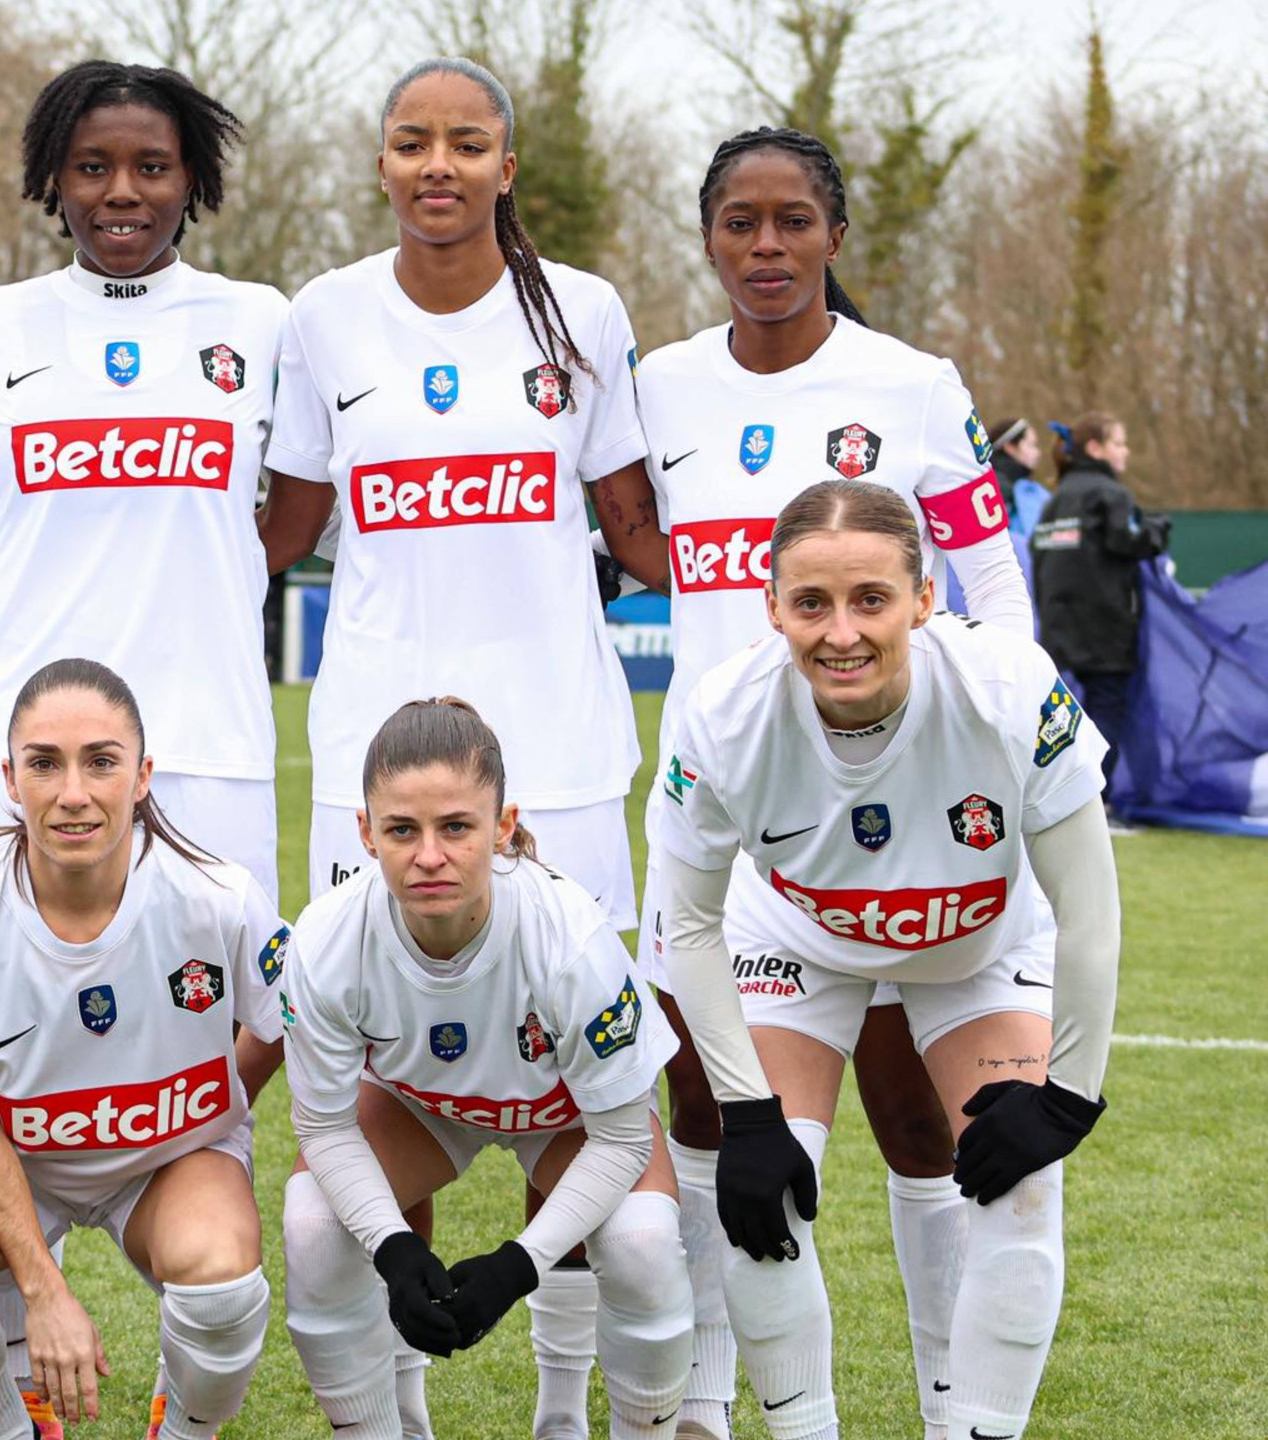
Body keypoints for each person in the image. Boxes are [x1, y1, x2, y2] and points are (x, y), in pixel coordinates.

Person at [251, 56, 663, 1436]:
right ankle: (404, 1411)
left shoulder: (585, 313)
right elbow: (279, 532)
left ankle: (559, 1409)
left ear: (506, 164)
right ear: (380, 163)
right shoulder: (324, 318)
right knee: (384, 1075)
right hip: (380, 761)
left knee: (578, 1076)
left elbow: (642, 531)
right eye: (413, 144)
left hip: (562, 747)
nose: (440, 166)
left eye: (467, 144)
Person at [630, 125, 1036, 1440]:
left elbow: (993, 585)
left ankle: (942, 1402)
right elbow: (633, 546)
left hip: (903, 811)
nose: (765, 247)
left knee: (919, 1113)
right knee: (708, 1101)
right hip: (725, 805)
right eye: (739, 223)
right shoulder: (663, 386)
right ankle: (702, 1394)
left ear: (835, 237)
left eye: (792, 221)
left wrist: (1000, 743)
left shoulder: (913, 385)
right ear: (707, 237)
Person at [654, 480, 1120, 1440]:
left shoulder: (1007, 688)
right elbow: (687, 927)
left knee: (1023, 1191)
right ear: (771, 606)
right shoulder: (722, 716)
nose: (841, 633)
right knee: (765, 1201)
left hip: (976, 946)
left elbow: (1090, 909)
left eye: (871, 599)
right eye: (811, 603)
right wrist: (745, 1113)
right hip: (794, 940)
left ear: (925, 594)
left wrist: (1068, 1098)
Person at [0, 59, 285, 904]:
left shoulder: (261, 322)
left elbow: (318, 507)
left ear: (192, 178)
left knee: (228, 1017)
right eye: (91, 166)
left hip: (208, 741)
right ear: (53, 176)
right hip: (20, 743)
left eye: (151, 167)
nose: (121, 190)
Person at [0, 658, 283, 1440]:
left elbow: (284, 1019)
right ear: (9, 778)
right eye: (44, 764)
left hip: (167, 1163)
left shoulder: (216, 897)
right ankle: (15, 1431)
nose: (72, 792)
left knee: (221, 1284)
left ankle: (182, 1430)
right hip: (13, 1162)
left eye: (101, 761)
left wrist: (218, 1106)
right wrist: (44, 1290)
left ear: (141, 776)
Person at [281, 698, 691, 1440]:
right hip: (423, 1108)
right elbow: (323, 1126)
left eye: (457, 828)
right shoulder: (326, 940)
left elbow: (624, 1140)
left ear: (503, 828)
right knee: (312, 1223)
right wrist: (394, 1248)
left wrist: (518, 1265)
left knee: (643, 1240)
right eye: (402, 829)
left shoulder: (569, 939)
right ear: (366, 833)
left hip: (559, 1116)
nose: (428, 855)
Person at [1030, 412, 1169, 815]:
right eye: (1120, 442)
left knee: (1060, 718)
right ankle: (1094, 807)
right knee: (1106, 712)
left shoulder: (1054, 500)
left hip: (1058, 627)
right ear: (1095, 448)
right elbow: (1127, 540)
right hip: (1105, 628)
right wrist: (1157, 533)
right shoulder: (1110, 494)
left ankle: (1049, 802)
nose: (1125, 451)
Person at [987, 417, 1051, 570]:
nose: (1038, 453)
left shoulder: (1020, 486)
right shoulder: (1002, 489)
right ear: (1010, 447)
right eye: (1031, 445)